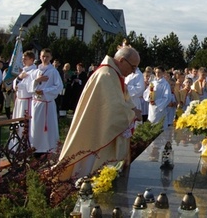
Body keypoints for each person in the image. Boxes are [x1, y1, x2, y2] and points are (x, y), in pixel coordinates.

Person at [55, 45, 142, 181]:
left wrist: (132, 108)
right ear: (122, 60)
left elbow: (123, 100)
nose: (133, 71)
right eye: (133, 67)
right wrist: (131, 114)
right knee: (90, 170)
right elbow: (113, 110)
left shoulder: (113, 74)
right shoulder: (106, 75)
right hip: (96, 131)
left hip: (101, 127)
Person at [25, 48, 63, 156]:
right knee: (36, 127)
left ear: (50, 57)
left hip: (47, 103)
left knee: (48, 127)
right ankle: (36, 147)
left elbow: (59, 87)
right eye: (42, 56)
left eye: (47, 56)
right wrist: (37, 81)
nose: (44, 58)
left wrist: (44, 91)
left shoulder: (53, 71)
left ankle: (49, 148)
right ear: (40, 57)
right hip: (36, 103)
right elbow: (28, 87)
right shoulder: (36, 72)